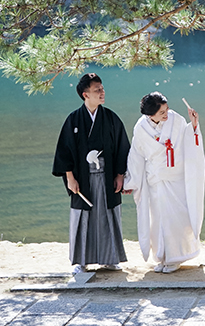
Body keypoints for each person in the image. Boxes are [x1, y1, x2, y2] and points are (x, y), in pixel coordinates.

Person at [52, 73, 130, 274]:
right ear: (85, 94)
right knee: (83, 217)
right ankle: (81, 261)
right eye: (97, 90)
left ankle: (110, 258)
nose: (102, 92)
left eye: (102, 88)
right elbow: (64, 151)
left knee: (108, 215)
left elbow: (123, 148)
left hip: (107, 176)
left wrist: (120, 175)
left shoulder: (111, 118)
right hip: (83, 179)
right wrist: (70, 177)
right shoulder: (74, 120)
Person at [123, 92, 205, 273]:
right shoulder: (140, 128)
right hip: (155, 180)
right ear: (149, 114)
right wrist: (131, 181)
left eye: (166, 109)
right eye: (162, 112)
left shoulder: (176, 119)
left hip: (175, 179)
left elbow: (188, 140)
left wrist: (193, 124)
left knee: (175, 218)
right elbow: (136, 156)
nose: (166, 114)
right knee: (157, 220)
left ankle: (176, 257)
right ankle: (161, 257)